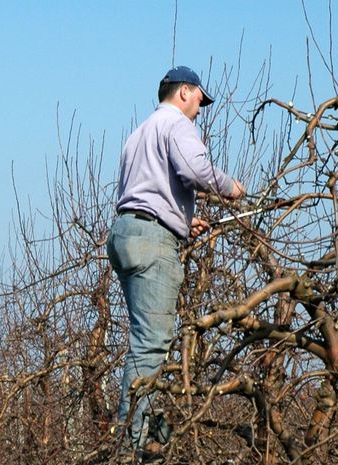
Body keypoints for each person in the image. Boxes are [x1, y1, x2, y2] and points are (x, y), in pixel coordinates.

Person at [107, 65, 246, 443]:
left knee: (143, 336)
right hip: (152, 241)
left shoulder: (139, 133)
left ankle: (139, 425)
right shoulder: (177, 124)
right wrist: (230, 187)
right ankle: (134, 440)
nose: (200, 109)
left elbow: (147, 191)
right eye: (200, 100)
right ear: (185, 92)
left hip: (126, 232)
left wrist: (185, 221)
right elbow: (194, 169)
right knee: (151, 341)